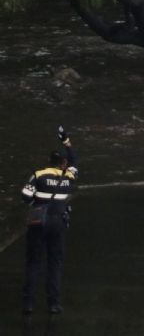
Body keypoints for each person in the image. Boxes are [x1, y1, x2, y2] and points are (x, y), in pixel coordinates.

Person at [20, 131, 78, 315]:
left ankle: (28, 304)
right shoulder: (68, 177)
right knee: (55, 263)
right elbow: (75, 161)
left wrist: (36, 204)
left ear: (49, 161)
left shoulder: (38, 175)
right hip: (58, 223)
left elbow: (25, 196)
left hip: (38, 222)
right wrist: (66, 142)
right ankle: (53, 304)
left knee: (33, 263)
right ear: (63, 163)